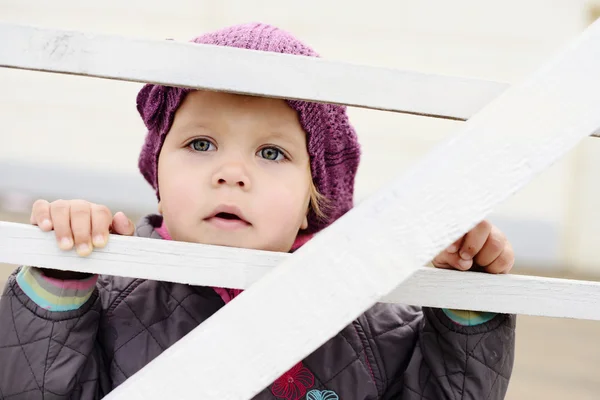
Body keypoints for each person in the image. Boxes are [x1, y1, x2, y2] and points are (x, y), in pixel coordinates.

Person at [0, 23, 515, 399]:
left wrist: (463, 299)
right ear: (159, 175)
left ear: (315, 201)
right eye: (201, 144)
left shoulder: (369, 315)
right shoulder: (110, 286)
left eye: (271, 154)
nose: (231, 173)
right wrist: (61, 278)